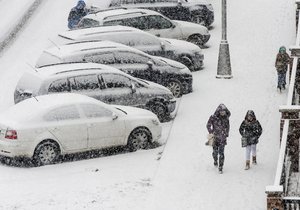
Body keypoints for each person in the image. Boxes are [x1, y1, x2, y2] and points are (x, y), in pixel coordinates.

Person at [206, 104, 231, 174]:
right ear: (218, 111)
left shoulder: (226, 118)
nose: (223, 113)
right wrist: (211, 132)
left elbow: (228, 127)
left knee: (221, 153)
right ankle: (215, 160)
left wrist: (226, 134)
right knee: (215, 152)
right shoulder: (213, 117)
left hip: (222, 138)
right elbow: (208, 125)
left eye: (224, 111)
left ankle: (221, 167)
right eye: (221, 111)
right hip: (215, 138)